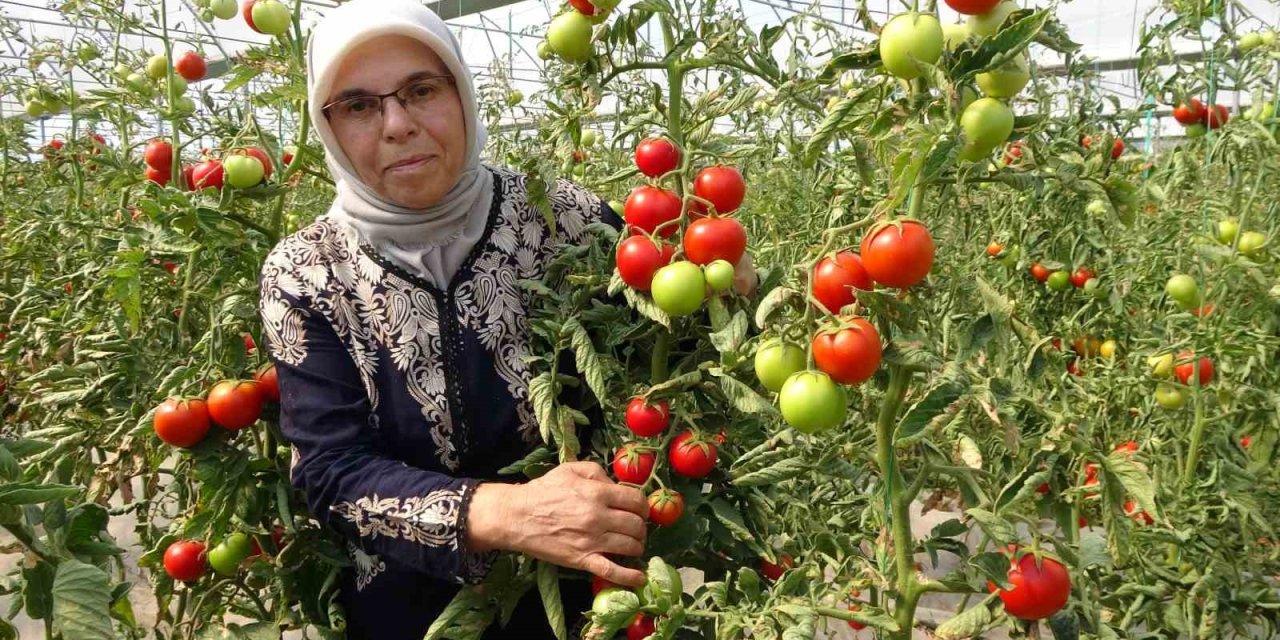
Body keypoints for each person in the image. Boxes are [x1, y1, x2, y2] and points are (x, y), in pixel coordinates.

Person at [258, 0, 754, 637]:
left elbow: (666, 367)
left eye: (421, 89)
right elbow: (329, 472)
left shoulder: (567, 219)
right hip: (408, 612)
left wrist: (729, 298)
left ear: (462, 93)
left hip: (593, 601)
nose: (396, 124)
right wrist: (504, 512)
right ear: (327, 127)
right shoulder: (305, 272)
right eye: (357, 105)